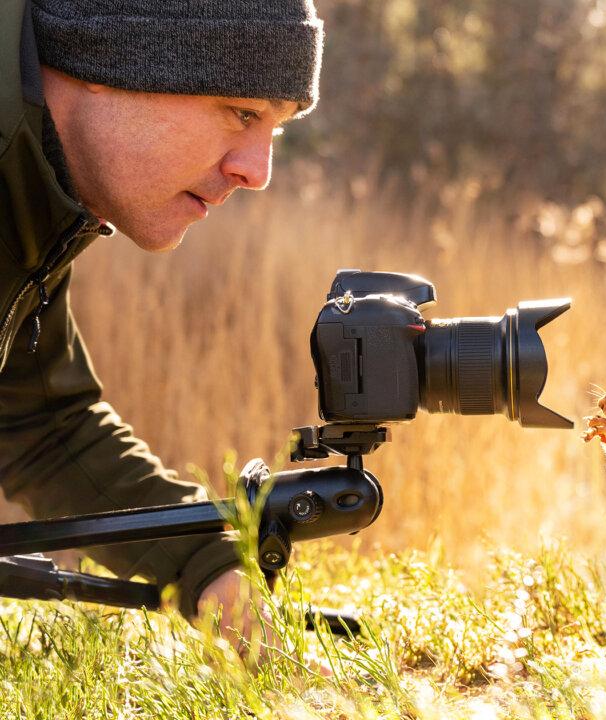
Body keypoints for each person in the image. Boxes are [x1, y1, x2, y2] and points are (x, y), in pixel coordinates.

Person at [0, 0, 323, 655]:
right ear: (105, 57)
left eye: (276, 130)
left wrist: (207, 564)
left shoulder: (39, 184)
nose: (256, 171)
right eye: (241, 112)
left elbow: (38, 426)